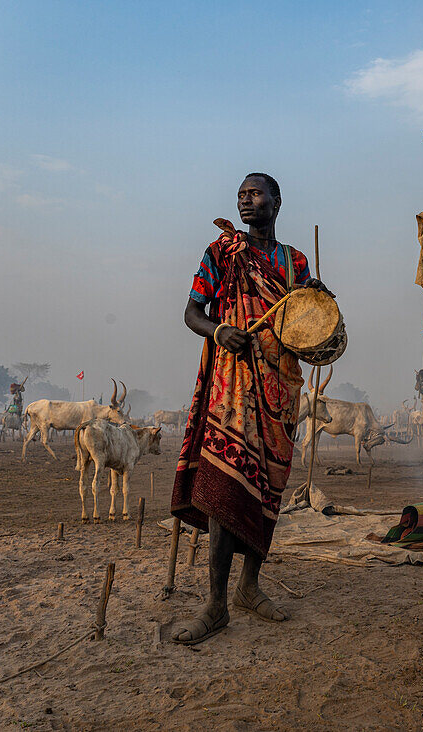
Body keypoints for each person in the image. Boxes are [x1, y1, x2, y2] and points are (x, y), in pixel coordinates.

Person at [171, 172, 331, 644]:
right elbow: (192, 312)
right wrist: (219, 331)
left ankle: (249, 587)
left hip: (280, 390)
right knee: (225, 482)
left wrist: (316, 298)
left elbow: (310, 326)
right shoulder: (220, 252)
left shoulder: (294, 261)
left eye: (255, 193)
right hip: (233, 386)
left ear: (277, 202)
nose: (245, 200)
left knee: (267, 489)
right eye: (241, 194)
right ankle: (215, 603)